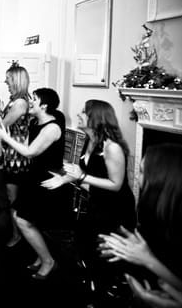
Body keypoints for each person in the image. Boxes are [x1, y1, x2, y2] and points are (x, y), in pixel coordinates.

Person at [42, 99, 136, 307]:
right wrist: (64, 179)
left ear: (96, 117)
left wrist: (81, 177)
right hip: (96, 202)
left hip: (115, 208)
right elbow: (77, 173)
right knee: (86, 247)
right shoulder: (87, 140)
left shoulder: (112, 148)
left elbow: (116, 185)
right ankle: (94, 289)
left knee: (105, 255)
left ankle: (112, 295)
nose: (79, 114)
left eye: (84, 111)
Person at [0, 88, 68, 279]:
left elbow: (30, 152)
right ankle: (42, 257)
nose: (30, 101)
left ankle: (48, 261)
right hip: (34, 176)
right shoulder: (35, 122)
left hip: (48, 180)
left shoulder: (52, 128)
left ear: (44, 105)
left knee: (23, 220)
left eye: (34, 99)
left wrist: (5, 138)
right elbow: (17, 139)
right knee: (23, 217)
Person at [99, 143, 182, 307]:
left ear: (159, 180)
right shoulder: (156, 215)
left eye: (141, 171)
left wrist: (147, 258)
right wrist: (133, 248)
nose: (137, 177)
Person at [0, 61, 31, 247]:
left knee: (14, 198)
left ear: (17, 81)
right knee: (9, 195)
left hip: (18, 157)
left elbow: (3, 125)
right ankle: (17, 233)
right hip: (10, 153)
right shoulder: (15, 100)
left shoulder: (21, 102)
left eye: (8, 79)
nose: (5, 82)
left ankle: (18, 235)